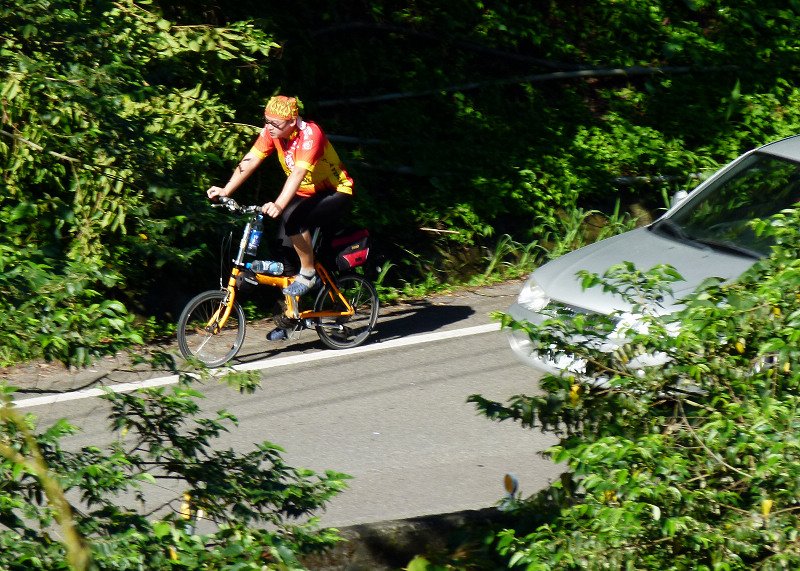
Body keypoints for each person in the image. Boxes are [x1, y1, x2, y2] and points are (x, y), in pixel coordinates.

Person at [207, 95, 354, 296]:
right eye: (266, 121)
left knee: (294, 221)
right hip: (305, 192)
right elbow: (251, 159)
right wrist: (226, 190)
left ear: (292, 121)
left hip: (336, 191)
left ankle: (309, 274)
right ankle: (290, 317)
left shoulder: (310, 134)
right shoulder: (272, 132)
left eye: (274, 123)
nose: (269, 127)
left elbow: (298, 173)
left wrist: (278, 204)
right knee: (283, 249)